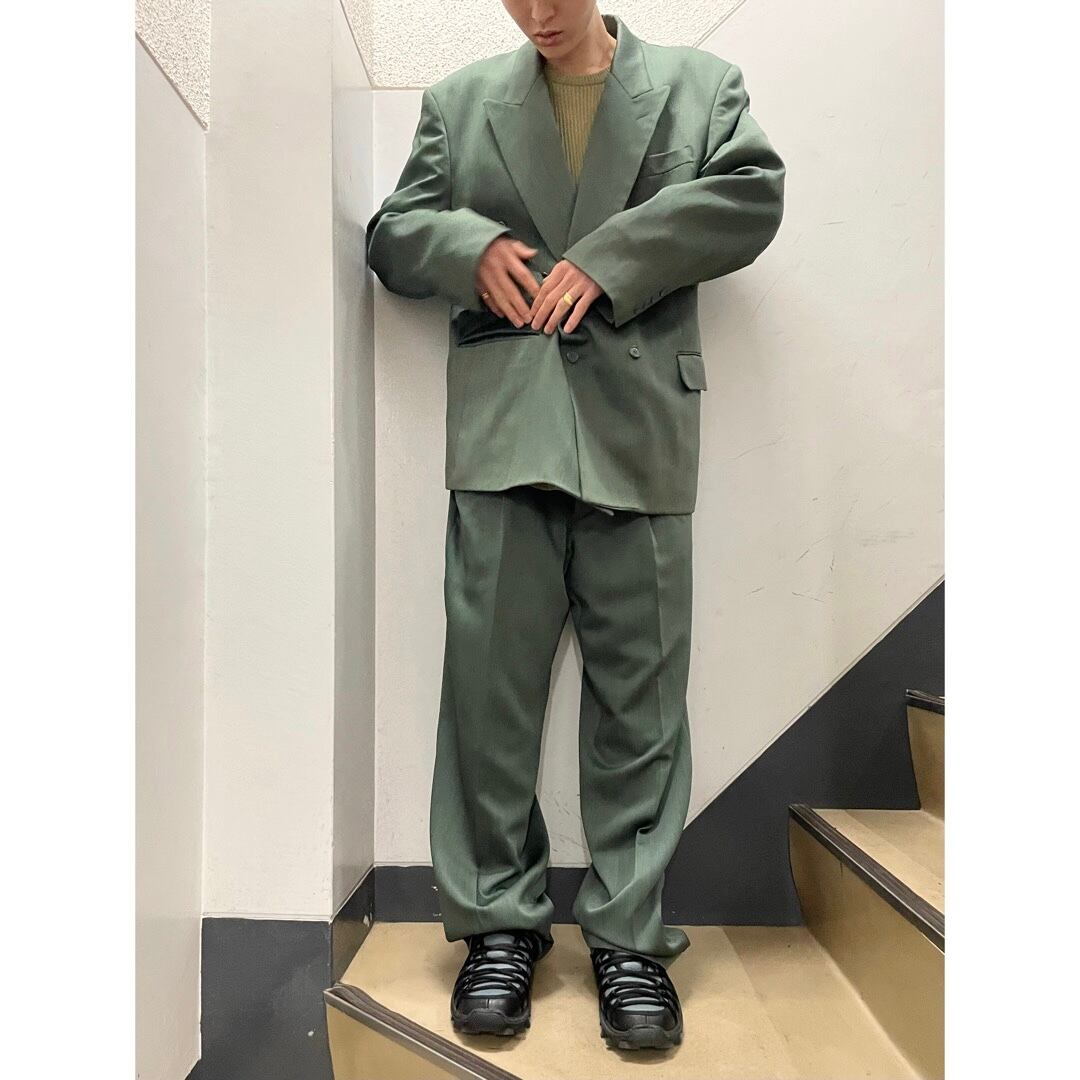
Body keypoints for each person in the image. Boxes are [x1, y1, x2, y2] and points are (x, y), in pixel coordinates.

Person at [365, 0, 785, 1052]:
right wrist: (466, 248)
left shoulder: (699, 88)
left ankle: (629, 938)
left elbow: (752, 196)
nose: (538, 13)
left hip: (639, 434)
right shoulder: (461, 104)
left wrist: (614, 255)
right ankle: (498, 927)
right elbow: (393, 232)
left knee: (642, 701)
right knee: (487, 697)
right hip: (506, 433)